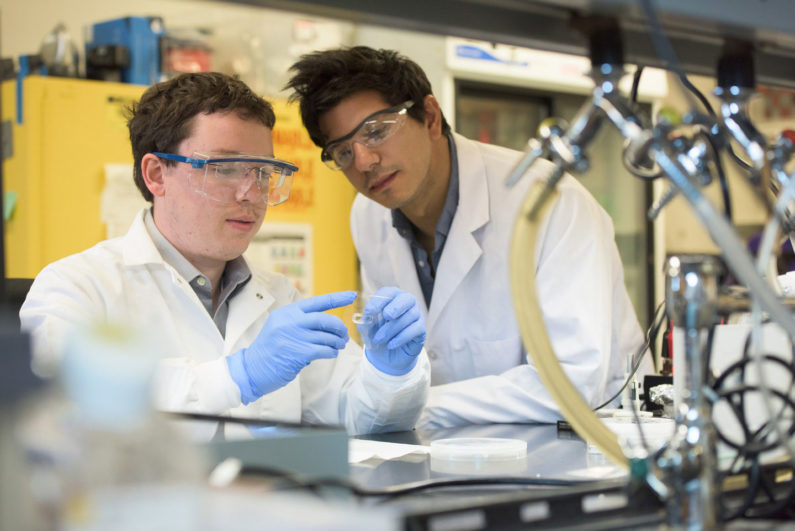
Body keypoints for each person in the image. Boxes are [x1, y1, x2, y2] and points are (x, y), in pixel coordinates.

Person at [19, 71, 430, 437]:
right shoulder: (79, 286)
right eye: (225, 169)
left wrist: (391, 373)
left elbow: (359, 415)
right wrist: (239, 374)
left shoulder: (279, 297)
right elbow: (64, 407)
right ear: (157, 174)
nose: (250, 193)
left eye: (264, 172)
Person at [285, 46, 646, 429]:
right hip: (453, 459)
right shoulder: (368, 214)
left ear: (431, 118)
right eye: (342, 151)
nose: (363, 162)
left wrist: (411, 407)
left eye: (376, 132)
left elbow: (572, 382)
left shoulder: (550, 202)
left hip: (588, 450)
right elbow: (396, 358)